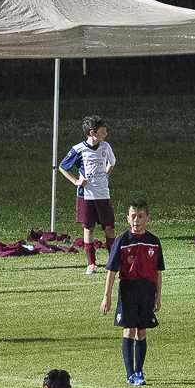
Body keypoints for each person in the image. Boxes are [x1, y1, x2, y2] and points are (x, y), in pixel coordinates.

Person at [97, 200, 164, 386]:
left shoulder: (154, 241)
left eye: (140, 216)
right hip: (128, 290)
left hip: (147, 291)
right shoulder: (122, 241)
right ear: (127, 218)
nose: (136, 220)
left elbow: (158, 272)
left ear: (147, 218)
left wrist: (158, 296)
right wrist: (106, 296)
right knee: (129, 329)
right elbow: (112, 271)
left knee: (141, 331)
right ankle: (130, 374)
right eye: (133, 216)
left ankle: (139, 371)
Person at [57, 114, 117, 274]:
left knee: (109, 228)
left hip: (103, 194)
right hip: (86, 195)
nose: (106, 133)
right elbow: (62, 166)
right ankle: (91, 263)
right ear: (92, 133)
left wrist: (106, 175)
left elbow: (112, 162)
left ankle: (113, 262)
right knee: (89, 228)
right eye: (103, 131)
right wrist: (76, 181)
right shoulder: (79, 149)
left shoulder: (106, 147)